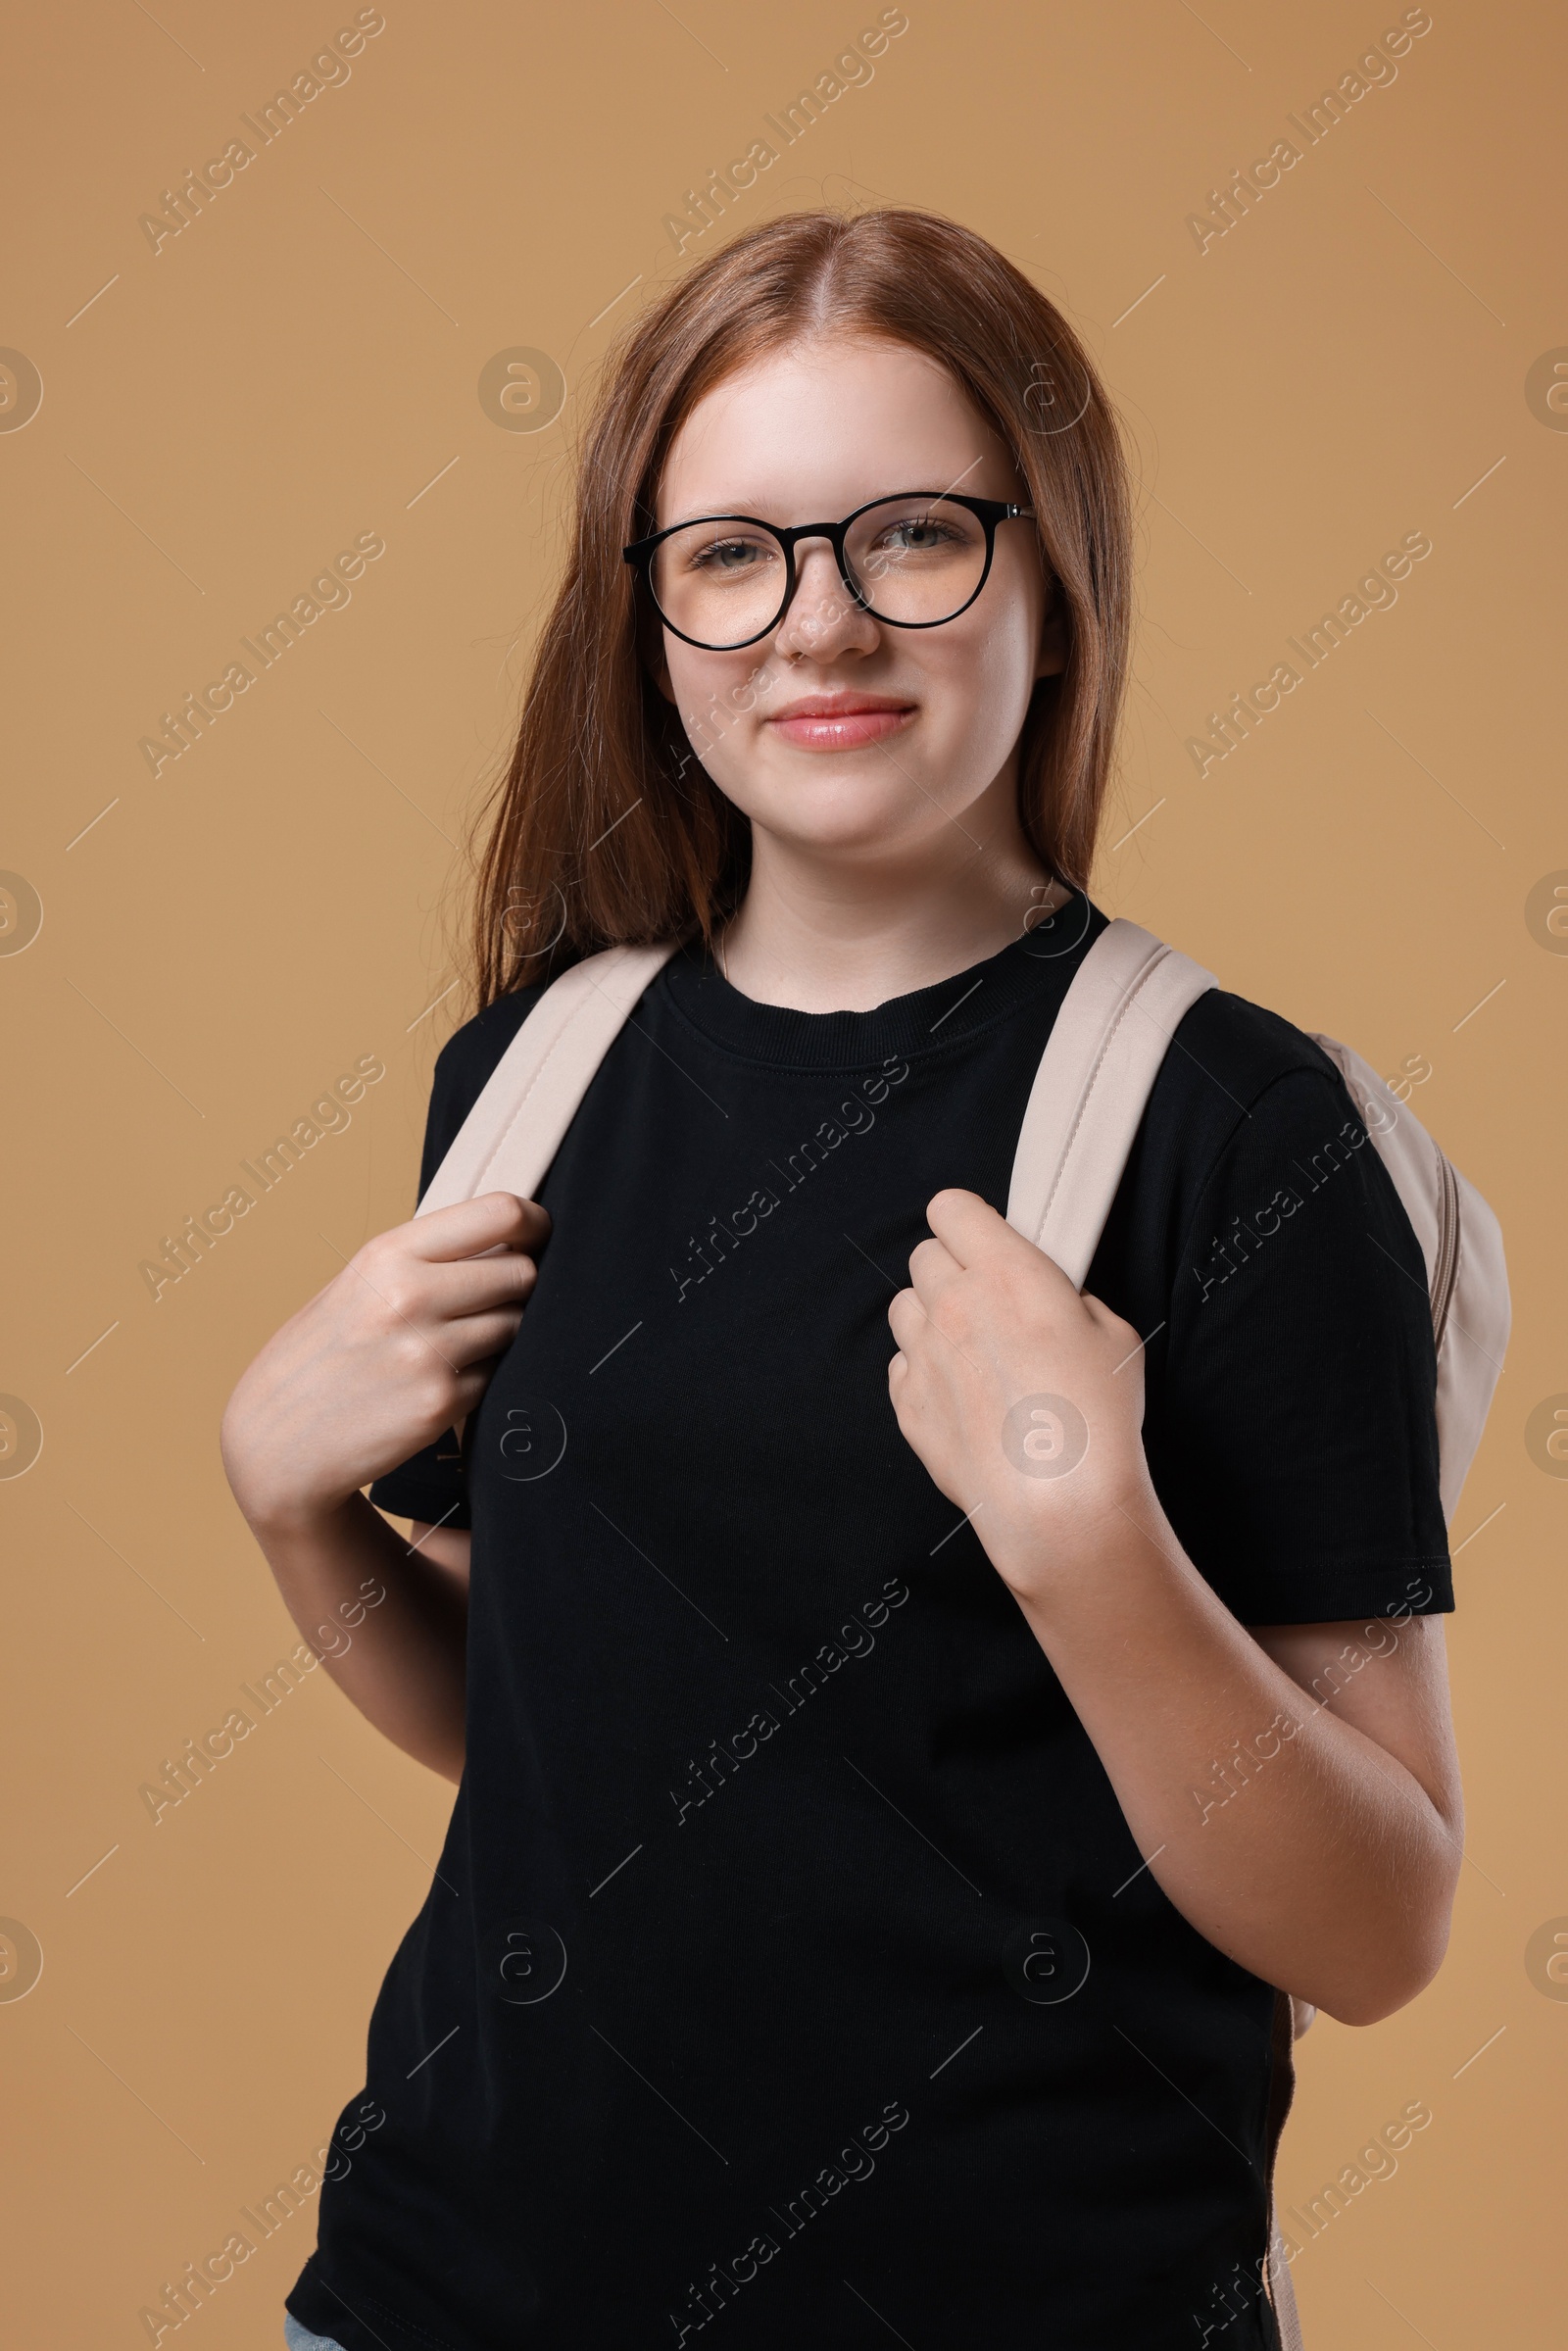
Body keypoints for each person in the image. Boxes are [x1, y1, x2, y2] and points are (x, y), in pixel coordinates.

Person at [220, 207, 1463, 2351]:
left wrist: (1089, 1546)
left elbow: (1373, 1926)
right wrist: (287, 1507)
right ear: (648, 613)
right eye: (731, 554)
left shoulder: (1234, 1133)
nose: (819, 628)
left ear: (1051, 588)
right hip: (451, 2293)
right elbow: (555, 1747)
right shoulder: (532, 1071)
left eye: (909, 536)